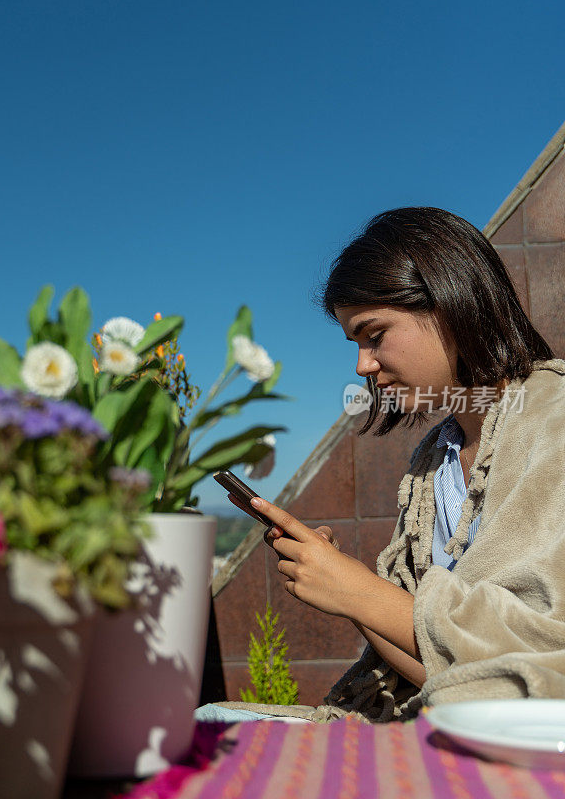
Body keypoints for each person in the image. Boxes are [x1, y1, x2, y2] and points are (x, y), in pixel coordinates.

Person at [234, 207, 565, 722]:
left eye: (374, 334)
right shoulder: (433, 463)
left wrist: (361, 592)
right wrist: (347, 590)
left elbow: (542, 667)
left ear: (450, 304)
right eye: (356, 344)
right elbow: (440, 667)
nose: (363, 365)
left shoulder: (554, 422)